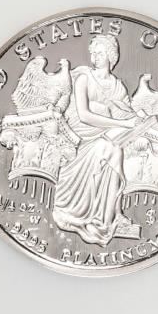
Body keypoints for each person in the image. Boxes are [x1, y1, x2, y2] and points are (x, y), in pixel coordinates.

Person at [53, 34, 139, 246]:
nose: (94, 57)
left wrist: (138, 119)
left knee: (114, 149)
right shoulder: (84, 79)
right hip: (82, 138)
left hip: (107, 137)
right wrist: (122, 123)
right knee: (107, 148)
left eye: (99, 53)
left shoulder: (118, 86)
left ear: (111, 55)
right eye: (93, 53)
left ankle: (107, 217)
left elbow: (127, 114)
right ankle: (90, 215)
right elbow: (84, 115)